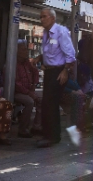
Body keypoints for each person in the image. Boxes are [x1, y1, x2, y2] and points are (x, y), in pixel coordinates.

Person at [31, 8, 78, 148]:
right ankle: (49, 133)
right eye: (40, 17)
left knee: (51, 103)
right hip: (49, 71)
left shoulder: (61, 32)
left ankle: (52, 136)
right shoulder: (46, 32)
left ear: (52, 18)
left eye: (44, 16)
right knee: (47, 103)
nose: (41, 19)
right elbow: (50, 53)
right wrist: (38, 58)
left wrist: (65, 71)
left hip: (59, 71)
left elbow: (71, 55)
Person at [14, 40, 42, 138]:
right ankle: (22, 129)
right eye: (23, 50)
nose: (26, 52)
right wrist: (30, 93)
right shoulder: (13, 64)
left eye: (26, 49)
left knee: (41, 100)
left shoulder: (27, 63)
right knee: (29, 102)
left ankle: (36, 126)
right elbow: (16, 84)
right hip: (17, 92)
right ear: (16, 51)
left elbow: (35, 72)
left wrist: (34, 85)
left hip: (28, 90)